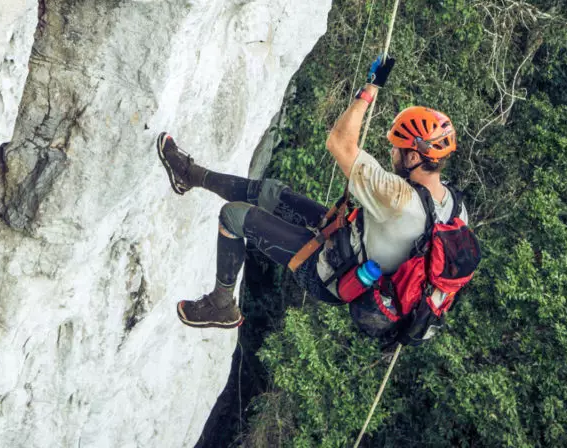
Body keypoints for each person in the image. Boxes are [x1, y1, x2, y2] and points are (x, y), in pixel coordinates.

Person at [158, 58, 464, 329]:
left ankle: (222, 304)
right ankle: (189, 175)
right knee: (270, 193)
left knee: (233, 217)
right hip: (346, 238)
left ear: (413, 158)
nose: (392, 152)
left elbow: (340, 143)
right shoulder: (453, 205)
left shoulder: (399, 198)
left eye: (397, 148)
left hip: (327, 271)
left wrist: (369, 90)